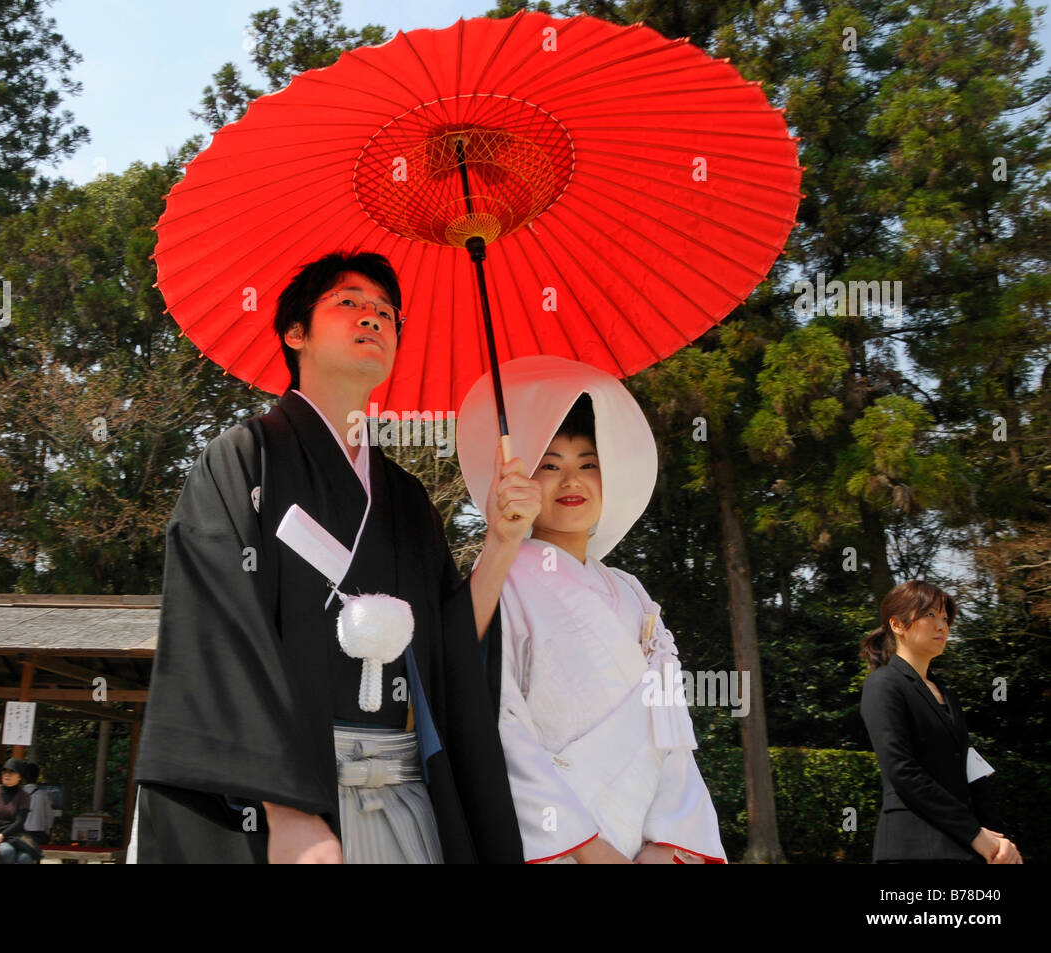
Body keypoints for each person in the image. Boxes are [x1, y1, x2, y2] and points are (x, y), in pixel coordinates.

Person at [132, 250, 539, 863]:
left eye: (385, 312)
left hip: (403, 794)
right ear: (296, 333)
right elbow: (218, 631)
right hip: (284, 803)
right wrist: (288, 809)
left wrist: (503, 542)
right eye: (348, 302)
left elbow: (450, 646)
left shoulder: (405, 498)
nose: (372, 318)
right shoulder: (243, 460)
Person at [457, 356, 726, 864]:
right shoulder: (502, 580)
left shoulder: (634, 594)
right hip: (557, 843)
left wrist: (668, 843)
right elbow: (501, 719)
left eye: (588, 464)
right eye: (549, 465)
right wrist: (585, 846)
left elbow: (672, 728)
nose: (571, 480)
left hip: (645, 835)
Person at [859, 580, 1021, 864]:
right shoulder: (883, 685)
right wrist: (974, 834)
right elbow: (903, 771)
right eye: (930, 615)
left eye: (945, 617)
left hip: (965, 847)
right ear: (897, 625)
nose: (942, 626)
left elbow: (971, 771)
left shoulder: (947, 694)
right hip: (913, 851)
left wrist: (1000, 841)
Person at [21, 761, 53, 842]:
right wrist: (47, 832)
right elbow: (49, 817)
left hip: (22, 834)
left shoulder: (18, 794)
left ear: (23, 777)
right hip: (38, 835)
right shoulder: (43, 795)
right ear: (37, 776)